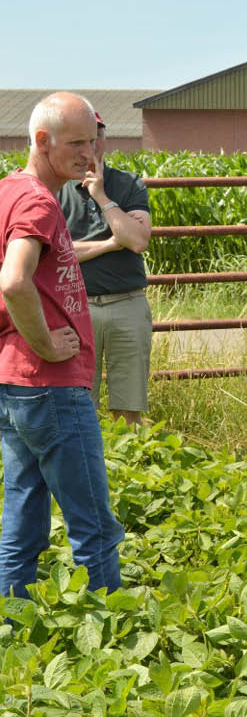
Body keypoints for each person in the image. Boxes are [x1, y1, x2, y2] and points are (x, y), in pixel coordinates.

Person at [0, 92, 123, 598]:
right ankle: (111, 641)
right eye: (75, 143)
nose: (88, 153)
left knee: (23, 515)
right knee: (93, 521)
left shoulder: (8, 190)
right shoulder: (36, 200)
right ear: (41, 141)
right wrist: (47, 344)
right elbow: (13, 281)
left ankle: (12, 623)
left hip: (15, 382)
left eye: (92, 141)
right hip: (50, 385)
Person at [58, 110, 152, 425]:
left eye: (96, 135)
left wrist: (100, 195)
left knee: (130, 406)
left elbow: (137, 240)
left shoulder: (128, 184)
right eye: (81, 138)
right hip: (74, 306)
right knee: (78, 402)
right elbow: (57, 253)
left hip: (127, 302)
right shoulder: (55, 189)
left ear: (104, 140)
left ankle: (129, 469)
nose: (90, 143)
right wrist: (112, 243)